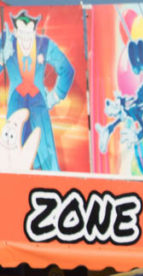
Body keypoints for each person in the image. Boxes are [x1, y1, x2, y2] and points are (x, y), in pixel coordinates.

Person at [0, 10, 74, 170]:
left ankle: (54, 187)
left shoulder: (45, 45)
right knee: (11, 151)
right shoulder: (7, 42)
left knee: (47, 154)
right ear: (16, 31)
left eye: (29, 32)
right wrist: (1, 58)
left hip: (38, 103)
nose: (25, 37)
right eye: (22, 32)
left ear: (34, 31)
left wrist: (56, 95)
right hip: (16, 102)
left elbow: (67, 69)